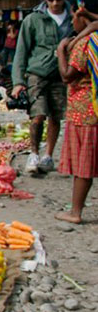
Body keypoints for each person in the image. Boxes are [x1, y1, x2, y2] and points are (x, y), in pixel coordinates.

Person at [12, 0, 73, 175]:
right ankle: (34, 153)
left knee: (56, 116)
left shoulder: (74, 18)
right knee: (37, 115)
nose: (55, 3)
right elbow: (21, 51)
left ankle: (48, 156)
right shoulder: (33, 20)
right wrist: (18, 82)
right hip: (37, 73)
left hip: (62, 75)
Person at [54, 24, 98, 223]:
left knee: (84, 164)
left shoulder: (86, 43)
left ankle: (75, 212)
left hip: (86, 110)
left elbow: (66, 75)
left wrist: (61, 51)